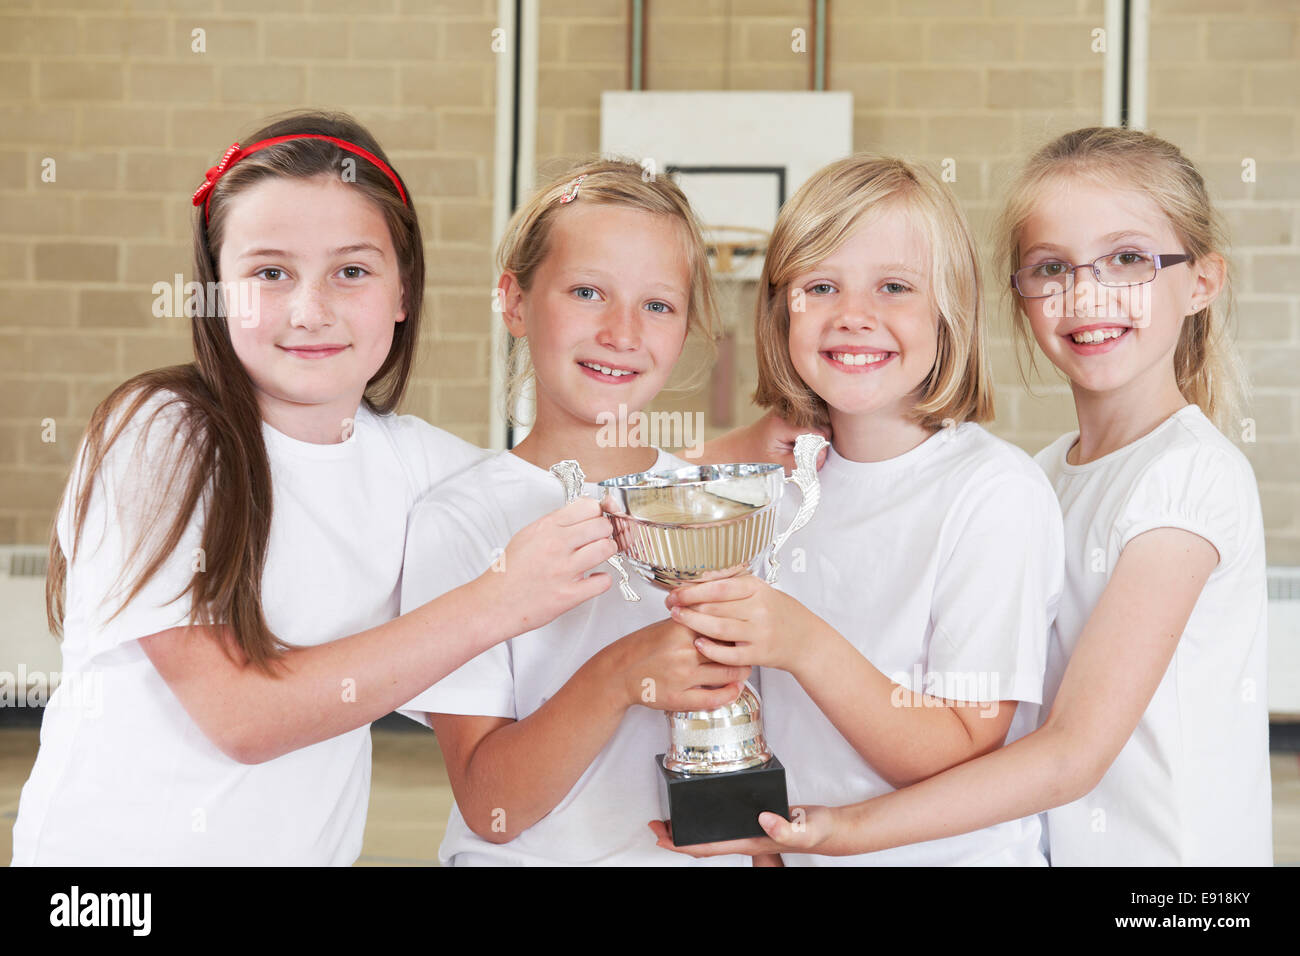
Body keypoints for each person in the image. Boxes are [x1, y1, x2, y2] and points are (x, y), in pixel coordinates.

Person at [12, 112, 619, 866]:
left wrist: (767, 448)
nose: (310, 310)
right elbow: (242, 716)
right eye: (270, 273)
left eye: (352, 271)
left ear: (403, 292)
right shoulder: (159, 434)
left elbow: (590, 479)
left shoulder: (415, 464)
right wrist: (497, 597)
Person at [657, 128, 1272, 867]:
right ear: (1020, 293)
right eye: (1051, 267)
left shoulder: (1185, 476)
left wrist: (842, 829)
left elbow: (1069, 755)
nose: (1086, 293)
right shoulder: (1050, 474)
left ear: (1202, 281)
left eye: (1128, 259)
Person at [660, 155, 1064, 865]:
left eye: (894, 286)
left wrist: (805, 644)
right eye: (821, 286)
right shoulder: (776, 486)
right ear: (782, 308)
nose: (853, 315)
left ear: (950, 311)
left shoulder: (993, 494)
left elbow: (965, 744)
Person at [397, 159, 756, 865]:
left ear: (685, 329)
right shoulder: (461, 520)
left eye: (658, 305)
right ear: (516, 302)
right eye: (589, 292)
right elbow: (491, 805)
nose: (623, 331)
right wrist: (622, 675)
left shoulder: (722, 510)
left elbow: (754, 735)